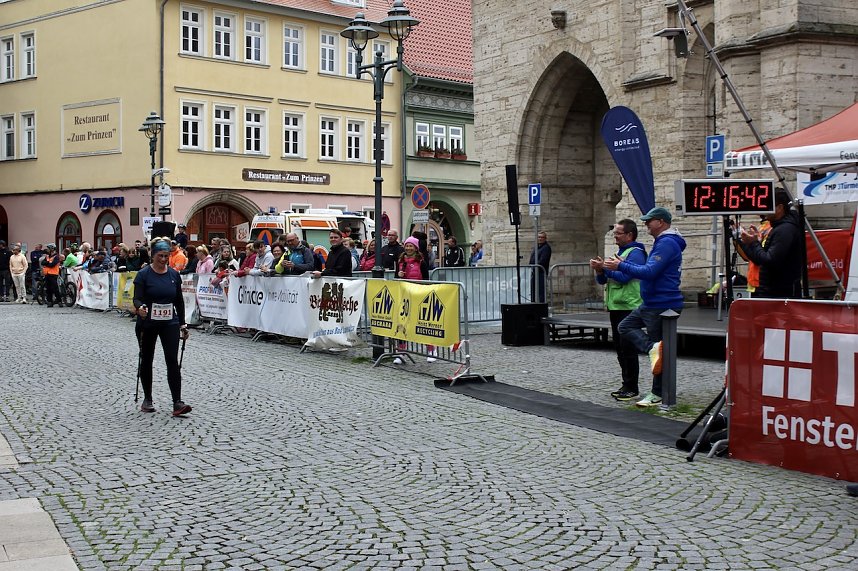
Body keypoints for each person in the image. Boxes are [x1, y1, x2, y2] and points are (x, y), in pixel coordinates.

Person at [603, 206, 685, 408]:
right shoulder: (662, 242)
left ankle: (658, 393)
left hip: (661, 303)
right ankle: (652, 348)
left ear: (661, 223)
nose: (646, 224)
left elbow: (649, 272)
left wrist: (620, 266)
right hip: (651, 303)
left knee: (659, 354)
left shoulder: (667, 243)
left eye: (650, 220)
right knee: (626, 328)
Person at [132, 237, 191, 416]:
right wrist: (139, 308)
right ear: (153, 254)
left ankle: (177, 402)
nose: (164, 259)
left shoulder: (173, 275)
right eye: (160, 255)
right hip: (148, 323)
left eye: (166, 255)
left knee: (172, 361)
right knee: (147, 359)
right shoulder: (143, 275)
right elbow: (137, 298)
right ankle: (148, 398)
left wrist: (183, 324)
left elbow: (179, 301)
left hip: (169, 323)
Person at [590, 220, 647, 401]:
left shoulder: (636, 253)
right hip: (616, 305)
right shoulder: (620, 253)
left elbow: (624, 277)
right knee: (620, 348)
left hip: (629, 305)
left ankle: (632, 387)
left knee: (628, 348)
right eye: (614, 233)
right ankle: (626, 384)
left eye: (618, 233)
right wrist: (600, 271)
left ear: (629, 235)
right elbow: (603, 281)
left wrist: (606, 269)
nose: (615, 236)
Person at [739, 188, 803, 299]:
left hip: (780, 293)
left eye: (768, 204)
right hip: (770, 290)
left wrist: (754, 243)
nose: (764, 208)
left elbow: (769, 260)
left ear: (779, 208)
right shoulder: (779, 227)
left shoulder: (784, 230)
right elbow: (759, 259)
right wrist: (747, 242)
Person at [529, 231, 552, 302]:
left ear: (545, 238)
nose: (540, 239)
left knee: (541, 292)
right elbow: (532, 258)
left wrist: (534, 267)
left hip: (541, 272)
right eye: (539, 237)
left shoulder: (546, 248)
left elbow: (543, 260)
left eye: (542, 237)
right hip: (534, 272)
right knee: (533, 291)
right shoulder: (537, 247)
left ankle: (541, 307)